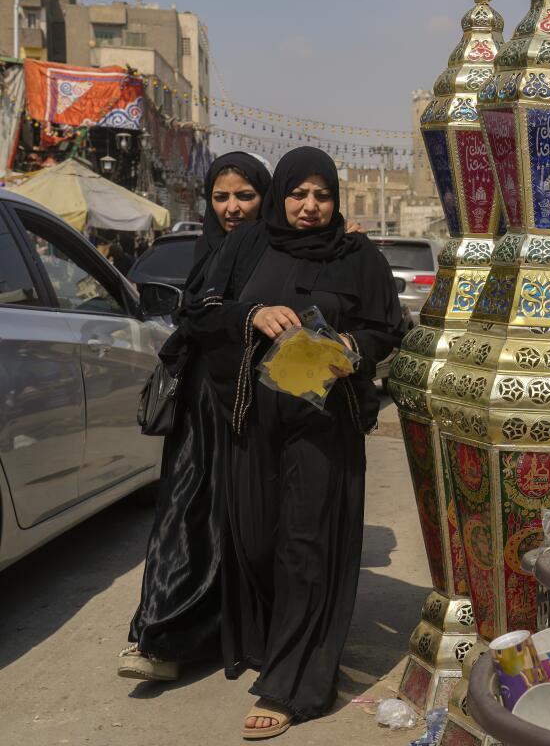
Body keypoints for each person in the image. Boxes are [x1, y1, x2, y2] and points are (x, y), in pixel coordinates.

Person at [187, 147, 404, 739]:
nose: (310, 207)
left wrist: (353, 351)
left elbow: (387, 328)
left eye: (322, 195)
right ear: (281, 195)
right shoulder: (247, 245)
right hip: (251, 418)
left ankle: (293, 683)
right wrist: (251, 315)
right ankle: (270, 640)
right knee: (257, 540)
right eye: (299, 194)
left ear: (335, 199)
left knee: (305, 544)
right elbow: (200, 311)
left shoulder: (358, 255)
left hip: (321, 424)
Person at [119, 153, 272, 683]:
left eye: (245, 196)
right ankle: (159, 635)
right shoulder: (209, 248)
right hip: (203, 406)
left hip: (256, 404)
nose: (232, 208)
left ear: (265, 197)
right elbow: (196, 317)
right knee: (185, 514)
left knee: (245, 521)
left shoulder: (277, 249)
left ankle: (232, 632)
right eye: (221, 197)